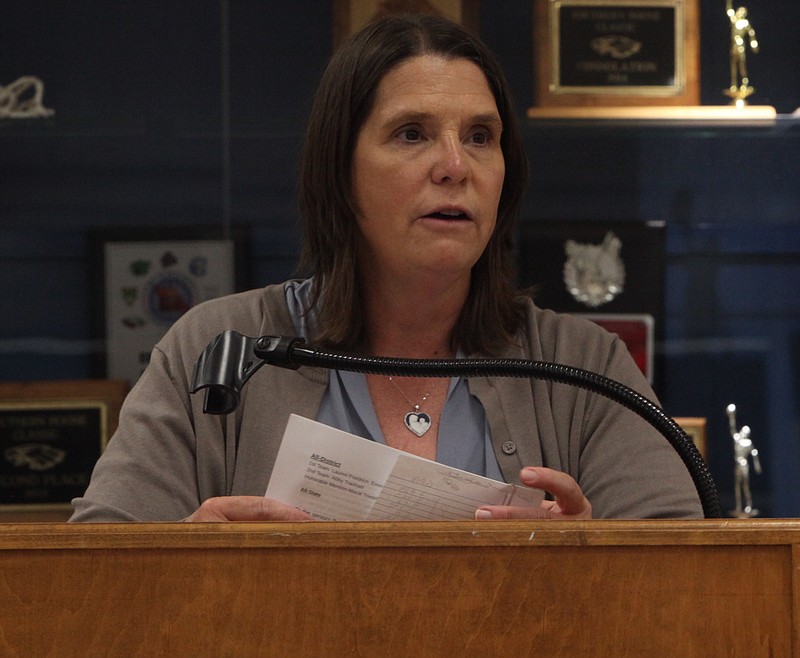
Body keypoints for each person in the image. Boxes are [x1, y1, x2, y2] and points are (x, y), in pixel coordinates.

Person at [70, 14, 702, 523]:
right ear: (340, 173)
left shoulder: (586, 367)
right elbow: (94, 578)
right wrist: (191, 561)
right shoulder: (217, 348)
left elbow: (689, 586)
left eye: (481, 136)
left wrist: (592, 559)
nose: (456, 165)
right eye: (411, 134)